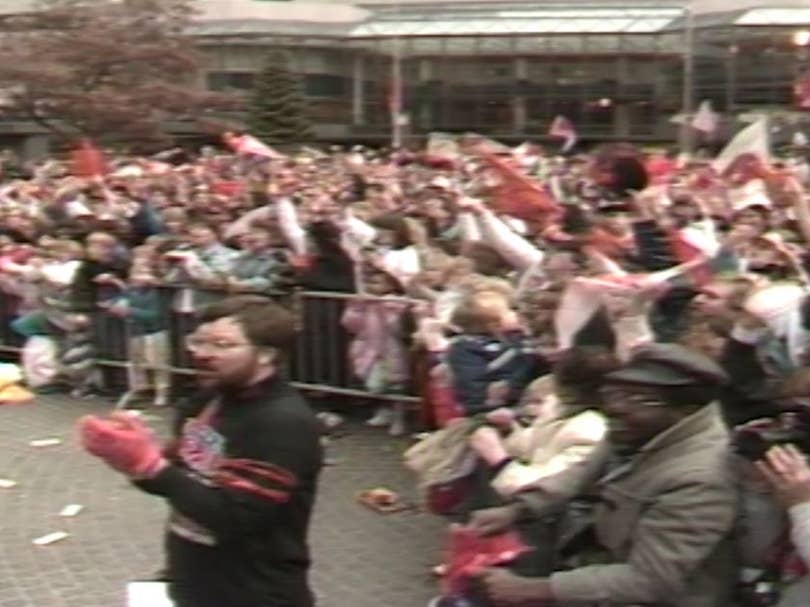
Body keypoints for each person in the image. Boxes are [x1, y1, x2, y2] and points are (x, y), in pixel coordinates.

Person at [78, 295, 323, 607]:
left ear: (266, 355)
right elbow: (183, 481)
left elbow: (233, 517)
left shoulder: (283, 422)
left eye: (222, 344)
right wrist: (129, 458)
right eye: (199, 341)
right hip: (195, 585)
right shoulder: (211, 400)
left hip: (254, 594)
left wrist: (151, 464)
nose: (203, 354)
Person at [469, 343, 738, 607]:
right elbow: (581, 473)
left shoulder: (701, 478)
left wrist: (533, 590)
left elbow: (649, 580)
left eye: (639, 399)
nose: (616, 408)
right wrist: (518, 510)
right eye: (615, 394)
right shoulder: (640, 427)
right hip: (608, 561)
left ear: (686, 412)